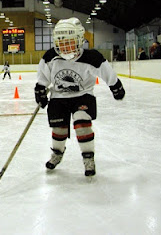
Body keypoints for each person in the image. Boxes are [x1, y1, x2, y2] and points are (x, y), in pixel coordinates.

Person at [34, 17, 125, 177]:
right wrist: (40, 89)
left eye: (69, 42)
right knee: (58, 128)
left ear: (79, 40)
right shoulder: (50, 57)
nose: (65, 46)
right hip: (58, 98)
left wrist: (115, 85)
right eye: (61, 42)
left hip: (82, 96)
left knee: (82, 123)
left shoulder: (91, 57)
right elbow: (43, 76)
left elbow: (106, 71)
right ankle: (57, 154)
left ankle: (88, 158)